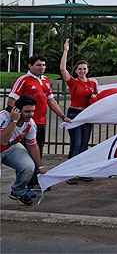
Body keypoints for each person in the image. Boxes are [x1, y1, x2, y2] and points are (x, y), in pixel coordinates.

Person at [8, 55, 70, 189]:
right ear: (30, 66)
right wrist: (16, 120)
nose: (42, 67)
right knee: (26, 154)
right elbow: (11, 101)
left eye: (43, 65)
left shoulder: (46, 80)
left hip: (41, 123)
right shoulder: (23, 80)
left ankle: (37, 180)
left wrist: (62, 116)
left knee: (38, 151)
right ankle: (25, 183)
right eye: (38, 65)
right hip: (26, 124)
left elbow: (51, 101)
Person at [60, 39, 98, 184]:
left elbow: (97, 99)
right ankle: (68, 173)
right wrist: (66, 51)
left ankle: (81, 172)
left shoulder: (93, 82)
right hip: (74, 114)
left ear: (88, 70)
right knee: (76, 143)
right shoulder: (73, 82)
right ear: (76, 71)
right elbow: (63, 70)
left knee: (84, 144)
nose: (82, 71)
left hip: (87, 115)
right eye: (80, 69)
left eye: (84, 68)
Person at [1, 96, 45, 206]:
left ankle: (18, 191)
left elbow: (33, 146)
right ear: (17, 110)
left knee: (28, 167)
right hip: (3, 143)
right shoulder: (3, 117)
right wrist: (14, 121)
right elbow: (3, 140)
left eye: (32, 111)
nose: (30, 114)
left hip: (10, 148)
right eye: (27, 111)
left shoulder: (30, 123)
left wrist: (40, 167)